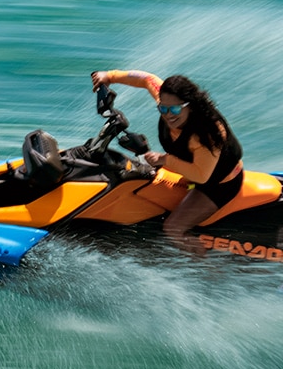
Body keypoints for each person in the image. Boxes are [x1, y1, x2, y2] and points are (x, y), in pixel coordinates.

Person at [90, 69, 244, 248]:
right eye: (163, 108)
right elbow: (147, 79)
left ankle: (206, 269)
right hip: (189, 171)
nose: (168, 114)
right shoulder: (169, 102)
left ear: (190, 105)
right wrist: (109, 76)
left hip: (219, 184)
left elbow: (201, 176)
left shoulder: (208, 132)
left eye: (175, 109)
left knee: (173, 228)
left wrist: (165, 160)